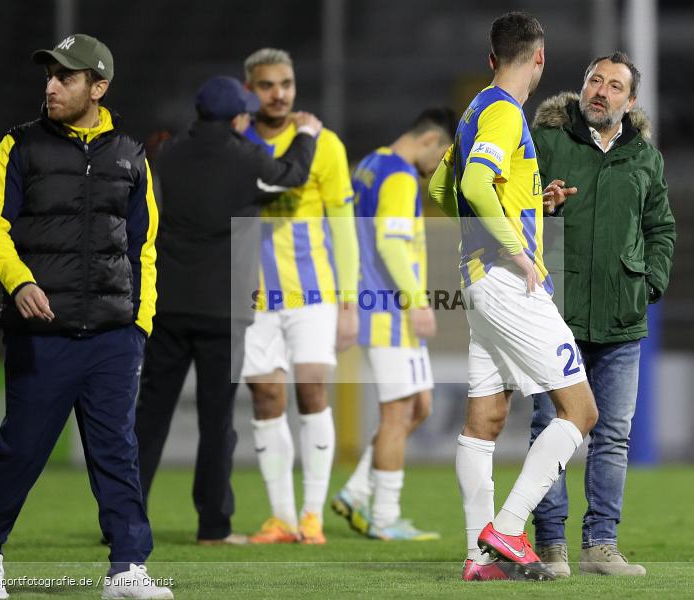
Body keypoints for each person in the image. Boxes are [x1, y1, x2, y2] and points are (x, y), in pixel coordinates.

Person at [0, 33, 172, 599]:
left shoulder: (131, 152)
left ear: (97, 87)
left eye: (66, 77)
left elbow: (145, 246)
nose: (52, 86)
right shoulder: (19, 146)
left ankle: (128, 570)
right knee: (22, 448)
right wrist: (21, 281)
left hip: (112, 335)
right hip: (41, 334)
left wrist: (140, 325)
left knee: (117, 452)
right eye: (50, 76)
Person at [427, 12, 598, 582]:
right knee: (581, 410)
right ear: (541, 58)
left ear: (491, 56)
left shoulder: (475, 109)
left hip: (478, 277)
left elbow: (441, 187)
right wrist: (518, 248)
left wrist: (530, 208)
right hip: (508, 280)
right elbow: (476, 187)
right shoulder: (503, 112)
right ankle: (508, 526)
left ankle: (478, 561)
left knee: (486, 417)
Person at [133, 76, 322, 546]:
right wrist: (306, 136)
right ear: (238, 118)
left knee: (149, 416)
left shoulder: (168, 154)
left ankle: (121, 518)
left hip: (168, 305)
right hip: (223, 310)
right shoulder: (245, 157)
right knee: (216, 421)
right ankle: (213, 526)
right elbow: (290, 176)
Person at [527, 51, 676, 577]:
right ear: (583, 86)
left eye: (615, 86)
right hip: (554, 315)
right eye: (595, 80)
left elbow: (662, 228)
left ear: (629, 101)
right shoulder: (545, 142)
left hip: (621, 319)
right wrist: (536, 204)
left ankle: (600, 545)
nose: (601, 91)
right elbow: (503, 207)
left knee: (612, 435)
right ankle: (550, 546)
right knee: (550, 428)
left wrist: (650, 281)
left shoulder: (645, 157)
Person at [239, 48, 358, 545]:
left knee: (312, 393)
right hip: (250, 296)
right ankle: (282, 518)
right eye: (267, 85)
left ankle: (312, 515)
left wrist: (349, 300)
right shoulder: (236, 140)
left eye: (286, 83)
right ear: (250, 89)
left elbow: (343, 223)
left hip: (313, 293)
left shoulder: (324, 143)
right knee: (266, 396)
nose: (279, 93)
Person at [331, 107, 456, 541]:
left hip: (377, 304)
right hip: (389, 309)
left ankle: (355, 491)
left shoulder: (369, 164)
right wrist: (417, 301)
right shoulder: (400, 175)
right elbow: (390, 242)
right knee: (399, 411)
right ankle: (383, 517)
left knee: (419, 407)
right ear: (430, 142)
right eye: (442, 156)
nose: (439, 167)